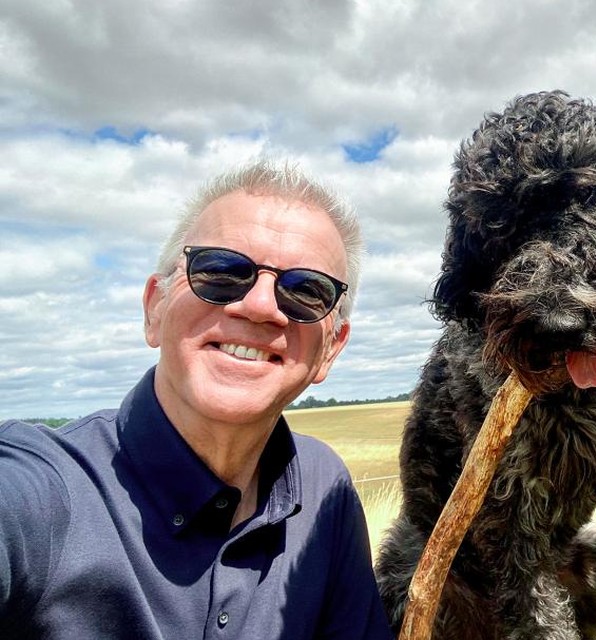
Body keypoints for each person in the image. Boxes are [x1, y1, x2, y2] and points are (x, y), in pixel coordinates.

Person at [0, 160, 392, 639]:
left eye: (307, 290)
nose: (261, 307)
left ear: (331, 349)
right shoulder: (43, 493)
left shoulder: (323, 489)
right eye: (221, 270)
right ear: (154, 308)